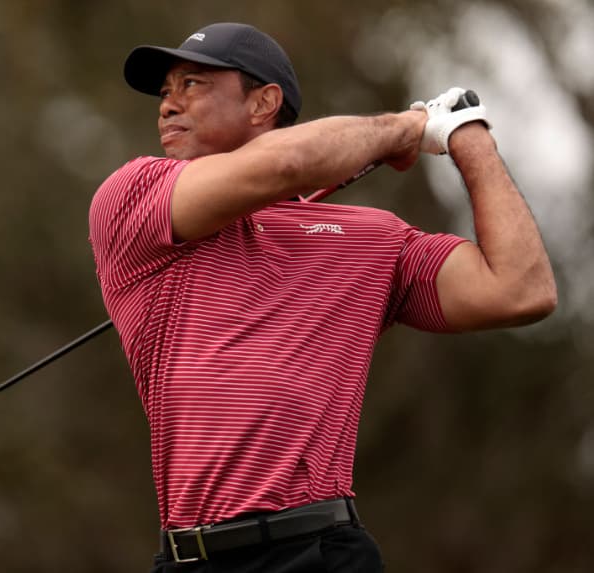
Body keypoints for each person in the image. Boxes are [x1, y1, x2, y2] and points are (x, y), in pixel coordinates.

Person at [88, 22, 556, 573]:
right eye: (166, 92)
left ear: (264, 102)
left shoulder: (372, 239)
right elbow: (288, 164)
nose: (168, 106)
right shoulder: (135, 199)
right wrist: (406, 127)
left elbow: (522, 289)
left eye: (192, 83)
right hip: (192, 557)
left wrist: (469, 137)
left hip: (320, 551)